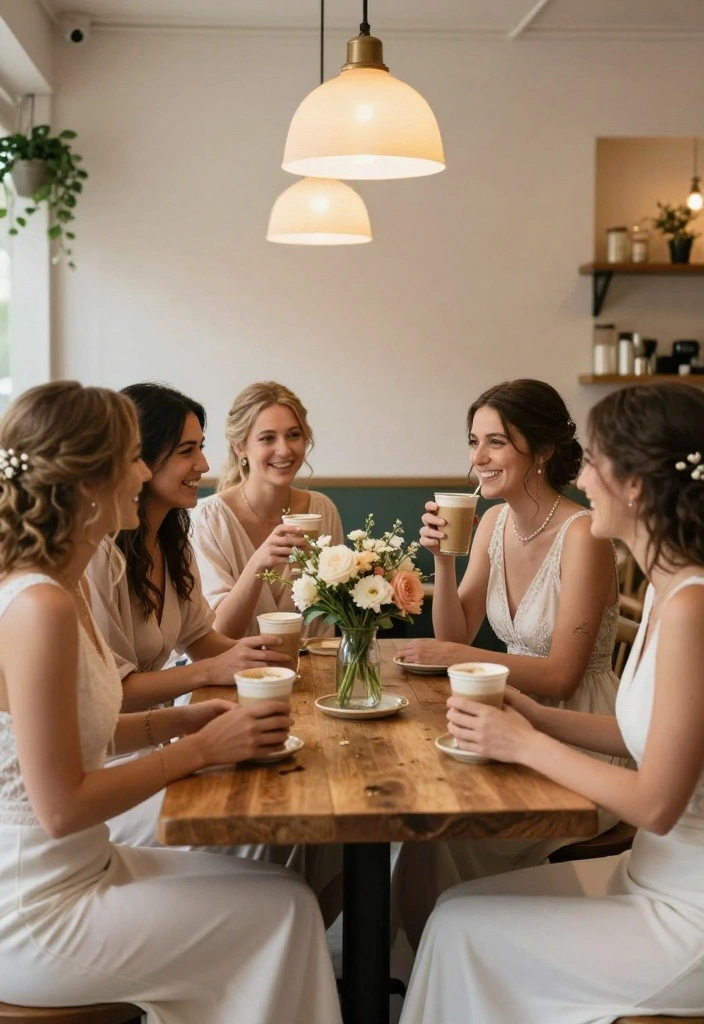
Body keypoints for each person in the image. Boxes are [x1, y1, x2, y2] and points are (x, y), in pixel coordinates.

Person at [0, 380, 342, 1023]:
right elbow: (62, 807)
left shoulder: (60, 589)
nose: (142, 472)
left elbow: (90, 734)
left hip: (86, 864)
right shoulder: (39, 604)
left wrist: (188, 717)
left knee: (286, 897)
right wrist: (197, 749)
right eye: (134, 457)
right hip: (34, 906)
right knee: (281, 918)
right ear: (86, 479)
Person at [399, 381, 704, 1024]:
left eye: (596, 461)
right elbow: (643, 733)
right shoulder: (668, 591)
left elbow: (656, 800)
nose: (584, 474)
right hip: (646, 877)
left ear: (637, 487)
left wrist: (524, 742)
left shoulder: (691, 607)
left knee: (460, 930)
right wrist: (534, 716)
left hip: (686, 914)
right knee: (453, 912)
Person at [394, 379, 622, 948]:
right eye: (474, 442)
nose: (478, 458)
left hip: (582, 730)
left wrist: (457, 657)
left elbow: (564, 675)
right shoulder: (492, 524)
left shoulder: (584, 536)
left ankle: (474, 957)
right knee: (426, 820)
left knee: (446, 831)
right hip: (512, 714)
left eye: (496, 442)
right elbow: (457, 629)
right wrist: (443, 562)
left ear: (541, 451)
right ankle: (444, 969)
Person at [191, 381, 344, 639]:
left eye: (294, 435)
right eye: (267, 438)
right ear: (240, 447)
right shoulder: (208, 520)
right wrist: (260, 562)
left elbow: (332, 616)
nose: (284, 449)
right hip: (236, 676)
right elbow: (218, 634)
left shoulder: (322, 510)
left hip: (315, 670)